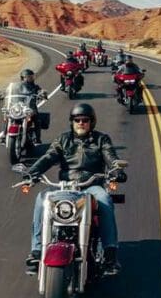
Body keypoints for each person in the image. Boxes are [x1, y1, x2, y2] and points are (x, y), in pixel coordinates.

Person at [24, 103, 125, 276]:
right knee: (42, 199)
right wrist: (31, 173)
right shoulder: (63, 139)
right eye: (76, 120)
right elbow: (49, 157)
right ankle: (37, 250)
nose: (80, 123)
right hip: (66, 187)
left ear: (91, 122)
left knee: (105, 200)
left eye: (84, 120)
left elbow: (111, 157)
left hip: (91, 186)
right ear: (71, 122)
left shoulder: (101, 139)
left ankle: (110, 253)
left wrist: (117, 171)